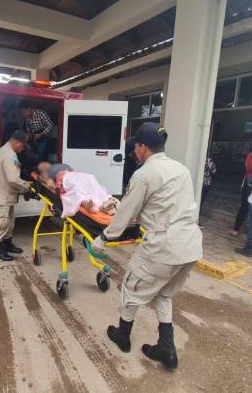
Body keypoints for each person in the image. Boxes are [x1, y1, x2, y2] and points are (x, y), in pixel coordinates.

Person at [91, 122, 202, 370]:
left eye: (136, 147)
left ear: (142, 147)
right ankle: (166, 348)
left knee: (131, 286)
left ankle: (122, 334)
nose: (135, 152)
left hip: (164, 244)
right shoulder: (181, 169)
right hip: (191, 244)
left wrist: (103, 238)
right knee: (163, 292)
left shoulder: (144, 174)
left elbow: (125, 215)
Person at [0, 130, 32, 261]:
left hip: (6, 195)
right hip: (1, 197)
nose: (22, 149)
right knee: (1, 223)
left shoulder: (7, 151)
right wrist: (27, 186)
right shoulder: (8, 155)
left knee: (9, 222)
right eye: (22, 146)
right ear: (17, 142)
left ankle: (7, 244)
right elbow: (13, 179)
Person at [229, 138, 252, 236]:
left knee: (244, 206)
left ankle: (236, 229)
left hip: (248, 183)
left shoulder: (251, 155)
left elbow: (248, 168)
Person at [199, 156, 216, 226]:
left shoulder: (197, 157)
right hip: (205, 183)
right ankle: (197, 219)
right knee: (200, 202)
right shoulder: (209, 160)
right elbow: (214, 171)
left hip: (198, 182)